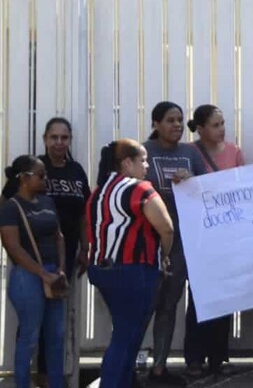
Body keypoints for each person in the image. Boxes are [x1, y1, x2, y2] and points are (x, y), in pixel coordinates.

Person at [86, 140, 175, 388]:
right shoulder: (139, 189)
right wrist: (164, 256)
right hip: (133, 270)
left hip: (102, 269)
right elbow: (166, 228)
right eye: (143, 160)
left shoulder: (98, 191)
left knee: (126, 333)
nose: (147, 166)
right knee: (126, 337)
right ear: (127, 162)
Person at [143, 101, 206, 386]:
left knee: (169, 305)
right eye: (170, 120)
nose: (177, 125)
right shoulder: (144, 153)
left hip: (181, 243)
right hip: (146, 243)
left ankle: (159, 368)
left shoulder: (189, 154)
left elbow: (208, 190)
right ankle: (128, 364)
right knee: (142, 306)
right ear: (156, 124)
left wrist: (192, 181)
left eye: (180, 120)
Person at [183, 105, 245, 379]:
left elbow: (242, 187)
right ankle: (195, 357)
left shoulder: (235, 152)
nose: (222, 129)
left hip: (228, 235)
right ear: (200, 128)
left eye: (223, 123)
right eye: (216, 125)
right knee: (199, 298)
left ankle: (219, 357)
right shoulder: (189, 153)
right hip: (200, 236)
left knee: (226, 296)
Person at [0, 156, 67, 388]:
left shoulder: (47, 201)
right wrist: (42, 273)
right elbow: (14, 248)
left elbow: (58, 237)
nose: (45, 179)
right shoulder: (11, 207)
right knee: (30, 335)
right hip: (27, 276)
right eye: (40, 175)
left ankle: (56, 383)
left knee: (56, 336)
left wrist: (60, 268)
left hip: (52, 273)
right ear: (24, 179)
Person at [33, 118, 90, 387]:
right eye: (54, 137)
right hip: (36, 254)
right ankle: (38, 373)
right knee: (35, 315)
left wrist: (86, 246)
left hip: (66, 254)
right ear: (45, 139)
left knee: (56, 316)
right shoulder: (34, 168)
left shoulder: (77, 171)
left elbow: (84, 213)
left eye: (64, 138)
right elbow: (10, 201)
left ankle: (51, 375)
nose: (59, 143)